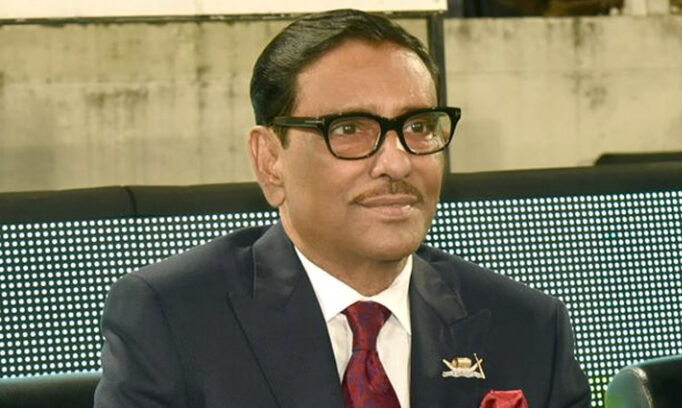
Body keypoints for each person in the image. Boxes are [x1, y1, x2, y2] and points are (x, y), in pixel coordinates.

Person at [94, 9, 591, 408]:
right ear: (270, 161)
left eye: (419, 126)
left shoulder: (527, 327)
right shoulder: (172, 316)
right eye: (350, 129)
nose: (396, 162)